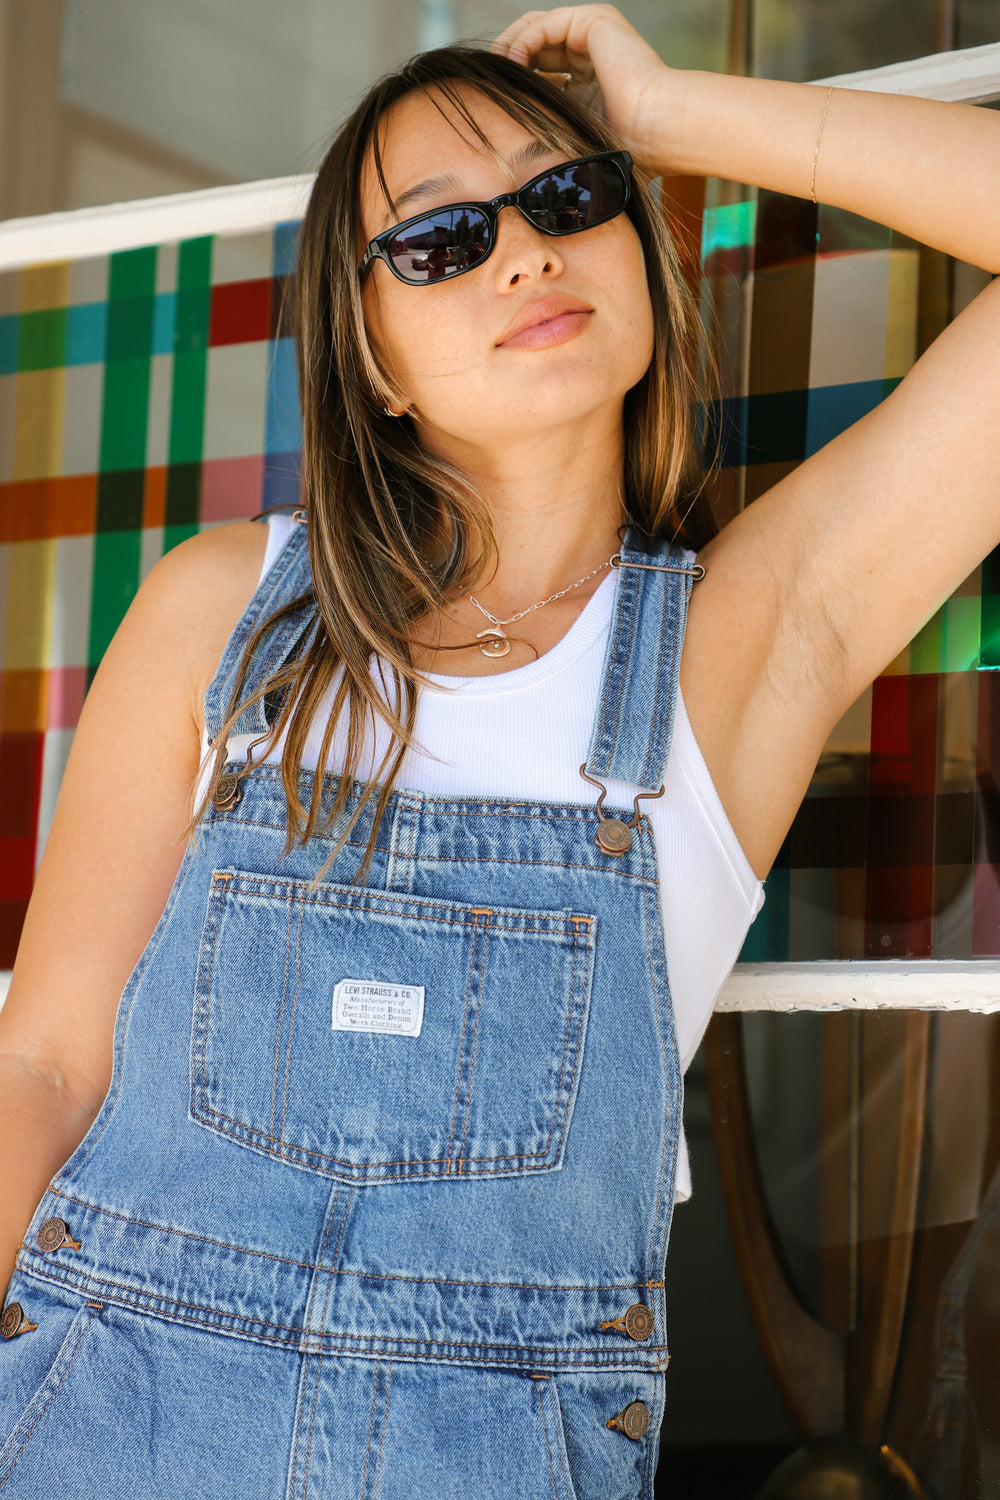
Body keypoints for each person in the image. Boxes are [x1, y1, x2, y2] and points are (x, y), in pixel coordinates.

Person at [0, 5, 998, 1496]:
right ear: (373, 356)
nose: (524, 250)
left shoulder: (743, 643)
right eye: (436, 242)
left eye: (567, 197)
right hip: (99, 1418)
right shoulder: (225, 613)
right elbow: (48, 1061)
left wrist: (664, 116)